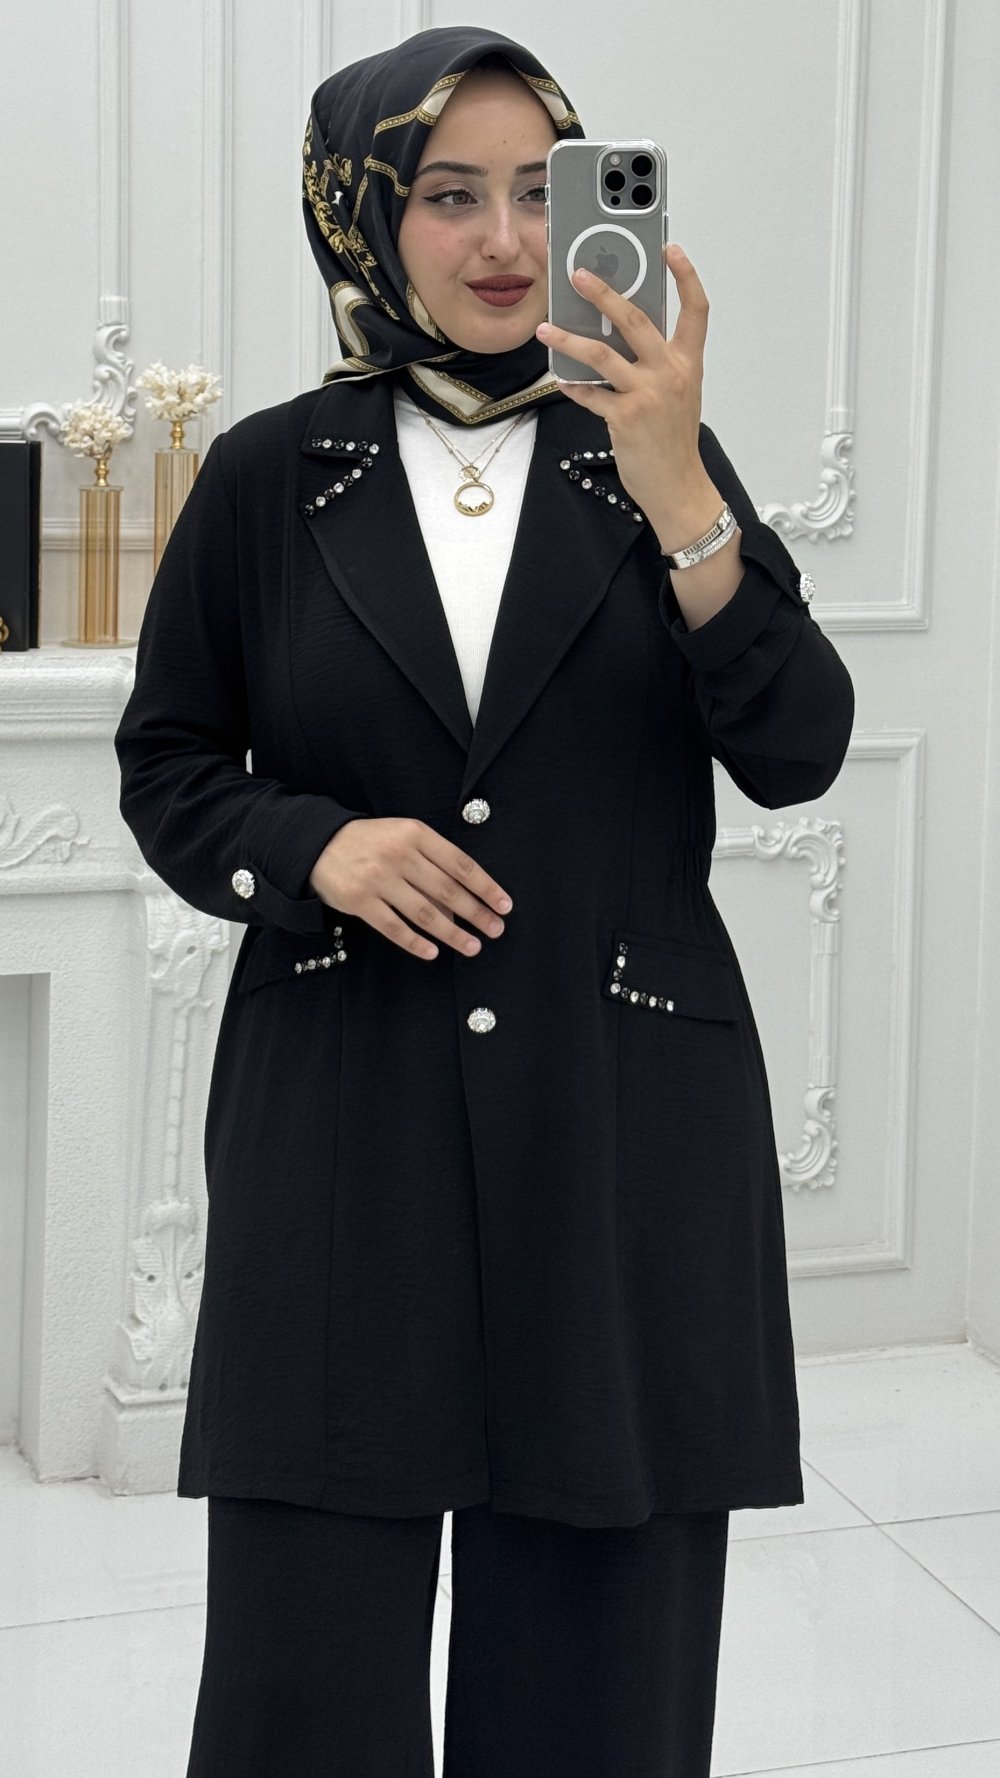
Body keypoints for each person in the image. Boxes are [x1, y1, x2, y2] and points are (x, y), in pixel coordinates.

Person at [114, 24, 854, 1778]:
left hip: (618, 1126)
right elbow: (169, 766)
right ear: (367, 213)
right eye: (451, 194)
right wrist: (315, 848)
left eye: (541, 189)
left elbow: (800, 747)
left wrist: (681, 490)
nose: (508, 239)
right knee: (307, 1677)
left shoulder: (656, 455)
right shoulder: (268, 475)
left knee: (599, 1683)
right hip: (343, 1122)